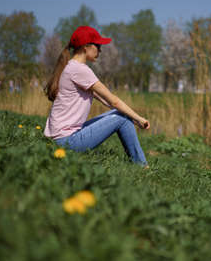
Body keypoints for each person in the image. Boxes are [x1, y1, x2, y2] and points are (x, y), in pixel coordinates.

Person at [43, 26, 150, 167]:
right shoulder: (80, 70)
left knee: (120, 114)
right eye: (98, 46)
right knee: (122, 118)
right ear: (85, 47)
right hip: (66, 142)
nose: (100, 50)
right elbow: (115, 101)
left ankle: (139, 163)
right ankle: (142, 166)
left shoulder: (71, 67)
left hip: (59, 139)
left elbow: (109, 102)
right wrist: (139, 119)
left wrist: (133, 118)